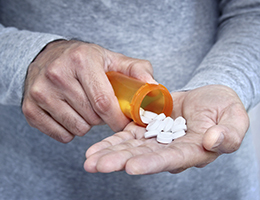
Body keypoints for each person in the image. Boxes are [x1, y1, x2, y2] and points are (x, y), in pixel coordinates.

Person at [0, 0, 259, 199]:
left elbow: (252, 12)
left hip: (213, 188)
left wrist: (224, 82)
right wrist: (30, 60)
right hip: (33, 180)